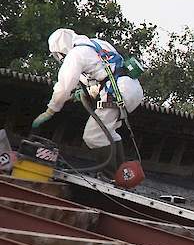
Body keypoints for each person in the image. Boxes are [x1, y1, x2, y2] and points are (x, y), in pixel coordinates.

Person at [33, 28, 144, 173]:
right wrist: (87, 92)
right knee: (108, 132)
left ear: (60, 50)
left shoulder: (75, 54)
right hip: (132, 89)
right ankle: (123, 175)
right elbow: (107, 71)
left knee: (93, 136)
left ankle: (112, 176)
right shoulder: (97, 44)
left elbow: (64, 87)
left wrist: (50, 110)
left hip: (118, 93)